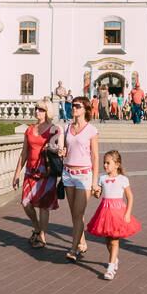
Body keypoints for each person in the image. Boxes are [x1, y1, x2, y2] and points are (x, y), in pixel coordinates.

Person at [12, 100, 62, 248]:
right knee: (26, 203)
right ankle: (37, 226)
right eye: (36, 109)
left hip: (46, 172)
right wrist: (16, 174)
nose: (37, 111)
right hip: (30, 171)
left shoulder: (54, 130)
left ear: (48, 112)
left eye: (41, 109)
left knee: (44, 205)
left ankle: (41, 235)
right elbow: (24, 152)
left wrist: (52, 147)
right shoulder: (29, 129)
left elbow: (59, 148)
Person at [87, 149, 141, 280]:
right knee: (107, 239)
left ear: (117, 164)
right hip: (105, 211)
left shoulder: (123, 179)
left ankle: (110, 267)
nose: (105, 165)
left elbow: (130, 197)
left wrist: (128, 213)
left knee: (115, 240)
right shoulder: (102, 178)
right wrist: (96, 192)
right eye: (104, 163)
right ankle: (114, 258)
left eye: (108, 163)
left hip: (118, 212)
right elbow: (98, 195)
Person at [58, 96, 99, 261]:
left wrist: (95, 182)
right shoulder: (67, 128)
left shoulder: (91, 130)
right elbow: (65, 149)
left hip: (83, 175)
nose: (73, 108)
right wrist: (61, 152)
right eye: (73, 105)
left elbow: (95, 156)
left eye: (77, 106)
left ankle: (74, 248)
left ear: (85, 109)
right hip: (68, 174)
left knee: (78, 211)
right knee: (74, 214)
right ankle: (82, 241)